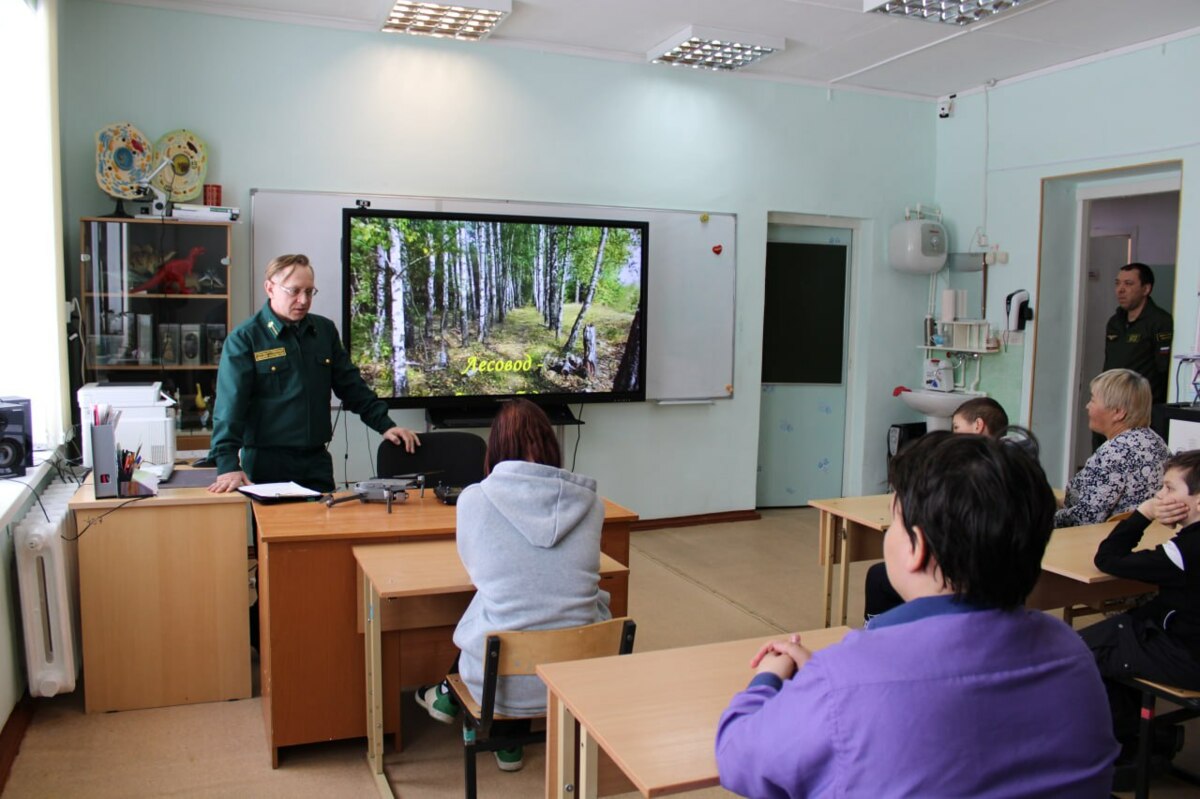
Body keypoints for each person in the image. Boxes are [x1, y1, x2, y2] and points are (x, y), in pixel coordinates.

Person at [715, 431, 1118, 798]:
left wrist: (768, 677)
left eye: (892, 521)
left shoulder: (846, 681)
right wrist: (826, 677)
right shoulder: (1072, 654)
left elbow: (737, 757)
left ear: (916, 547)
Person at [413, 399, 610, 773]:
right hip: (578, 677)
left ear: (496, 448)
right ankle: (506, 740)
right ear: (552, 445)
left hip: (497, 685)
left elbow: (477, 572)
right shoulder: (592, 504)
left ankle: (454, 701)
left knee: (497, 603)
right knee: (542, 605)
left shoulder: (474, 500)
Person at [207, 254, 419, 493]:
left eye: (309, 292)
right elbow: (229, 408)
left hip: (316, 461)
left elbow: (351, 386)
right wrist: (227, 465)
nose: (303, 300)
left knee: (323, 528)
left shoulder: (323, 331)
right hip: (268, 463)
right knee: (276, 530)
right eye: (294, 291)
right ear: (270, 288)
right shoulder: (246, 338)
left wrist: (385, 425)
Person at [1080, 450, 1200, 782]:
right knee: (1119, 634)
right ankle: (1149, 741)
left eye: (1169, 489)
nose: (1160, 496)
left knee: (1083, 652)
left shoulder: (1184, 552)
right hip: (1182, 640)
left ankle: (1127, 754)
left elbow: (1109, 558)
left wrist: (1143, 513)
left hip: (1186, 655)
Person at [863, 396, 1009, 620]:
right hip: (994, 573)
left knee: (878, 577)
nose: (954, 435)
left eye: (957, 428)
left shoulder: (967, 475)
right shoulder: (1015, 467)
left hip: (960, 572)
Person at [1056, 368, 1168, 528]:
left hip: (1103, 541)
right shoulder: (1156, 441)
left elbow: (1084, 519)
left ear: (1118, 413)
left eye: (1093, 400)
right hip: (1146, 537)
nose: (1087, 406)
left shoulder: (1115, 452)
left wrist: (1040, 517)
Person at [1104, 262, 1173, 405]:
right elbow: (1109, 363)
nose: (1120, 290)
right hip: (1113, 402)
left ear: (1146, 289)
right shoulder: (1115, 322)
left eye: (1128, 284)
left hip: (1142, 406)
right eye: (1117, 284)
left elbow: (1163, 370)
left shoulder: (1159, 321)